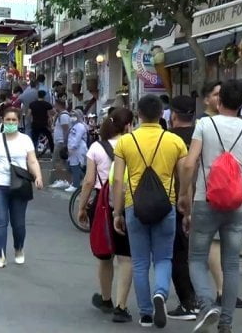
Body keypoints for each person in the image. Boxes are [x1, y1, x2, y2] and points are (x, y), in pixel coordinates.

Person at [178, 80, 242, 333]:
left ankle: (206, 303)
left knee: (197, 259)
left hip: (206, 200)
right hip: (235, 204)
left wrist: (184, 194)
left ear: (219, 100)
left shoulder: (204, 124)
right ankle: (226, 323)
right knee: (232, 264)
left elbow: (190, 164)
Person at [112, 94, 187, 329]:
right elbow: (185, 176)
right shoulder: (174, 141)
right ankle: (161, 293)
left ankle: (145, 313)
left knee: (140, 261)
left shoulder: (126, 142)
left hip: (134, 206)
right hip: (167, 206)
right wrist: (185, 202)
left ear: (138, 114)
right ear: (162, 114)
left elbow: (117, 182)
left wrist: (117, 212)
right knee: (164, 257)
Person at [77, 107, 135, 323]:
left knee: (105, 255)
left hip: (102, 203)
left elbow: (89, 181)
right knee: (125, 256)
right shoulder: (132, 144)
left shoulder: (96, 148)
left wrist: (82, 207)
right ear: (128, 125)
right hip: (128, 201)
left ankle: (106, 298)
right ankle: (122, 304)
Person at [0, 107, 43, 268]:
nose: (11, 123)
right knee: (0, 221)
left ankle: (19, 248)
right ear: (3, 121)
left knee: (18, 223)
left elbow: (32, 161)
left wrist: (38, 176)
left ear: (18, 121)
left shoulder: (25, 140)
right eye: (8, 120)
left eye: (14, 120)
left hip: (19, 186)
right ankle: (0, 256)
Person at [165, 95, 199, 321]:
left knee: (178, 252)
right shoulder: (200, 138)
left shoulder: (168, 139)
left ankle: (188, 301)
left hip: (176, 200)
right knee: (200, 253)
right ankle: (205, 297)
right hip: (205, 199)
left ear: (173, 115)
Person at [49, 99, 72, 188]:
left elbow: (66, 130)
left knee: (56, 161)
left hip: (61, 142)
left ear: (59, 105)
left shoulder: (64, 116)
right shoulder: (60, 116)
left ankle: (58, 180)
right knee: (61, 162)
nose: (54, 107)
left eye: (55, 105)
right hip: (59, 142)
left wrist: (65, 144)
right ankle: (62, 179)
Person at [65, 109, 89, 193]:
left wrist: (72, 147)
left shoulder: (80, 126)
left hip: (78, 149)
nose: (72, 117)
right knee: (73, 166)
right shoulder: (73, 126)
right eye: (71, 115)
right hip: (73, 149)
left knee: (75, 166)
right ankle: (78, 182)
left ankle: (76, 185)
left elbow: (77, 138)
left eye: (74, 115)